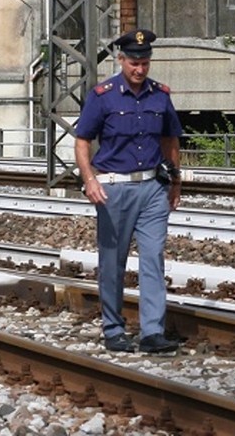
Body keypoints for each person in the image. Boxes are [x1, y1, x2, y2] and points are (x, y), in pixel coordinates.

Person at [74, 29, 183, 353]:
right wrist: (90, 179)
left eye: (145, 63)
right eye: (134, 63)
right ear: (121, 60)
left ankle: (152, 332)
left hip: (152, 188)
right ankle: (113, 329)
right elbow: (82, 141)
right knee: (113, 262)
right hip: (113, 190)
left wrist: (176, 182)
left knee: (152, 259)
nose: (140, 69)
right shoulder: (103, 95)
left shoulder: (159, 95)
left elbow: (170, 140)